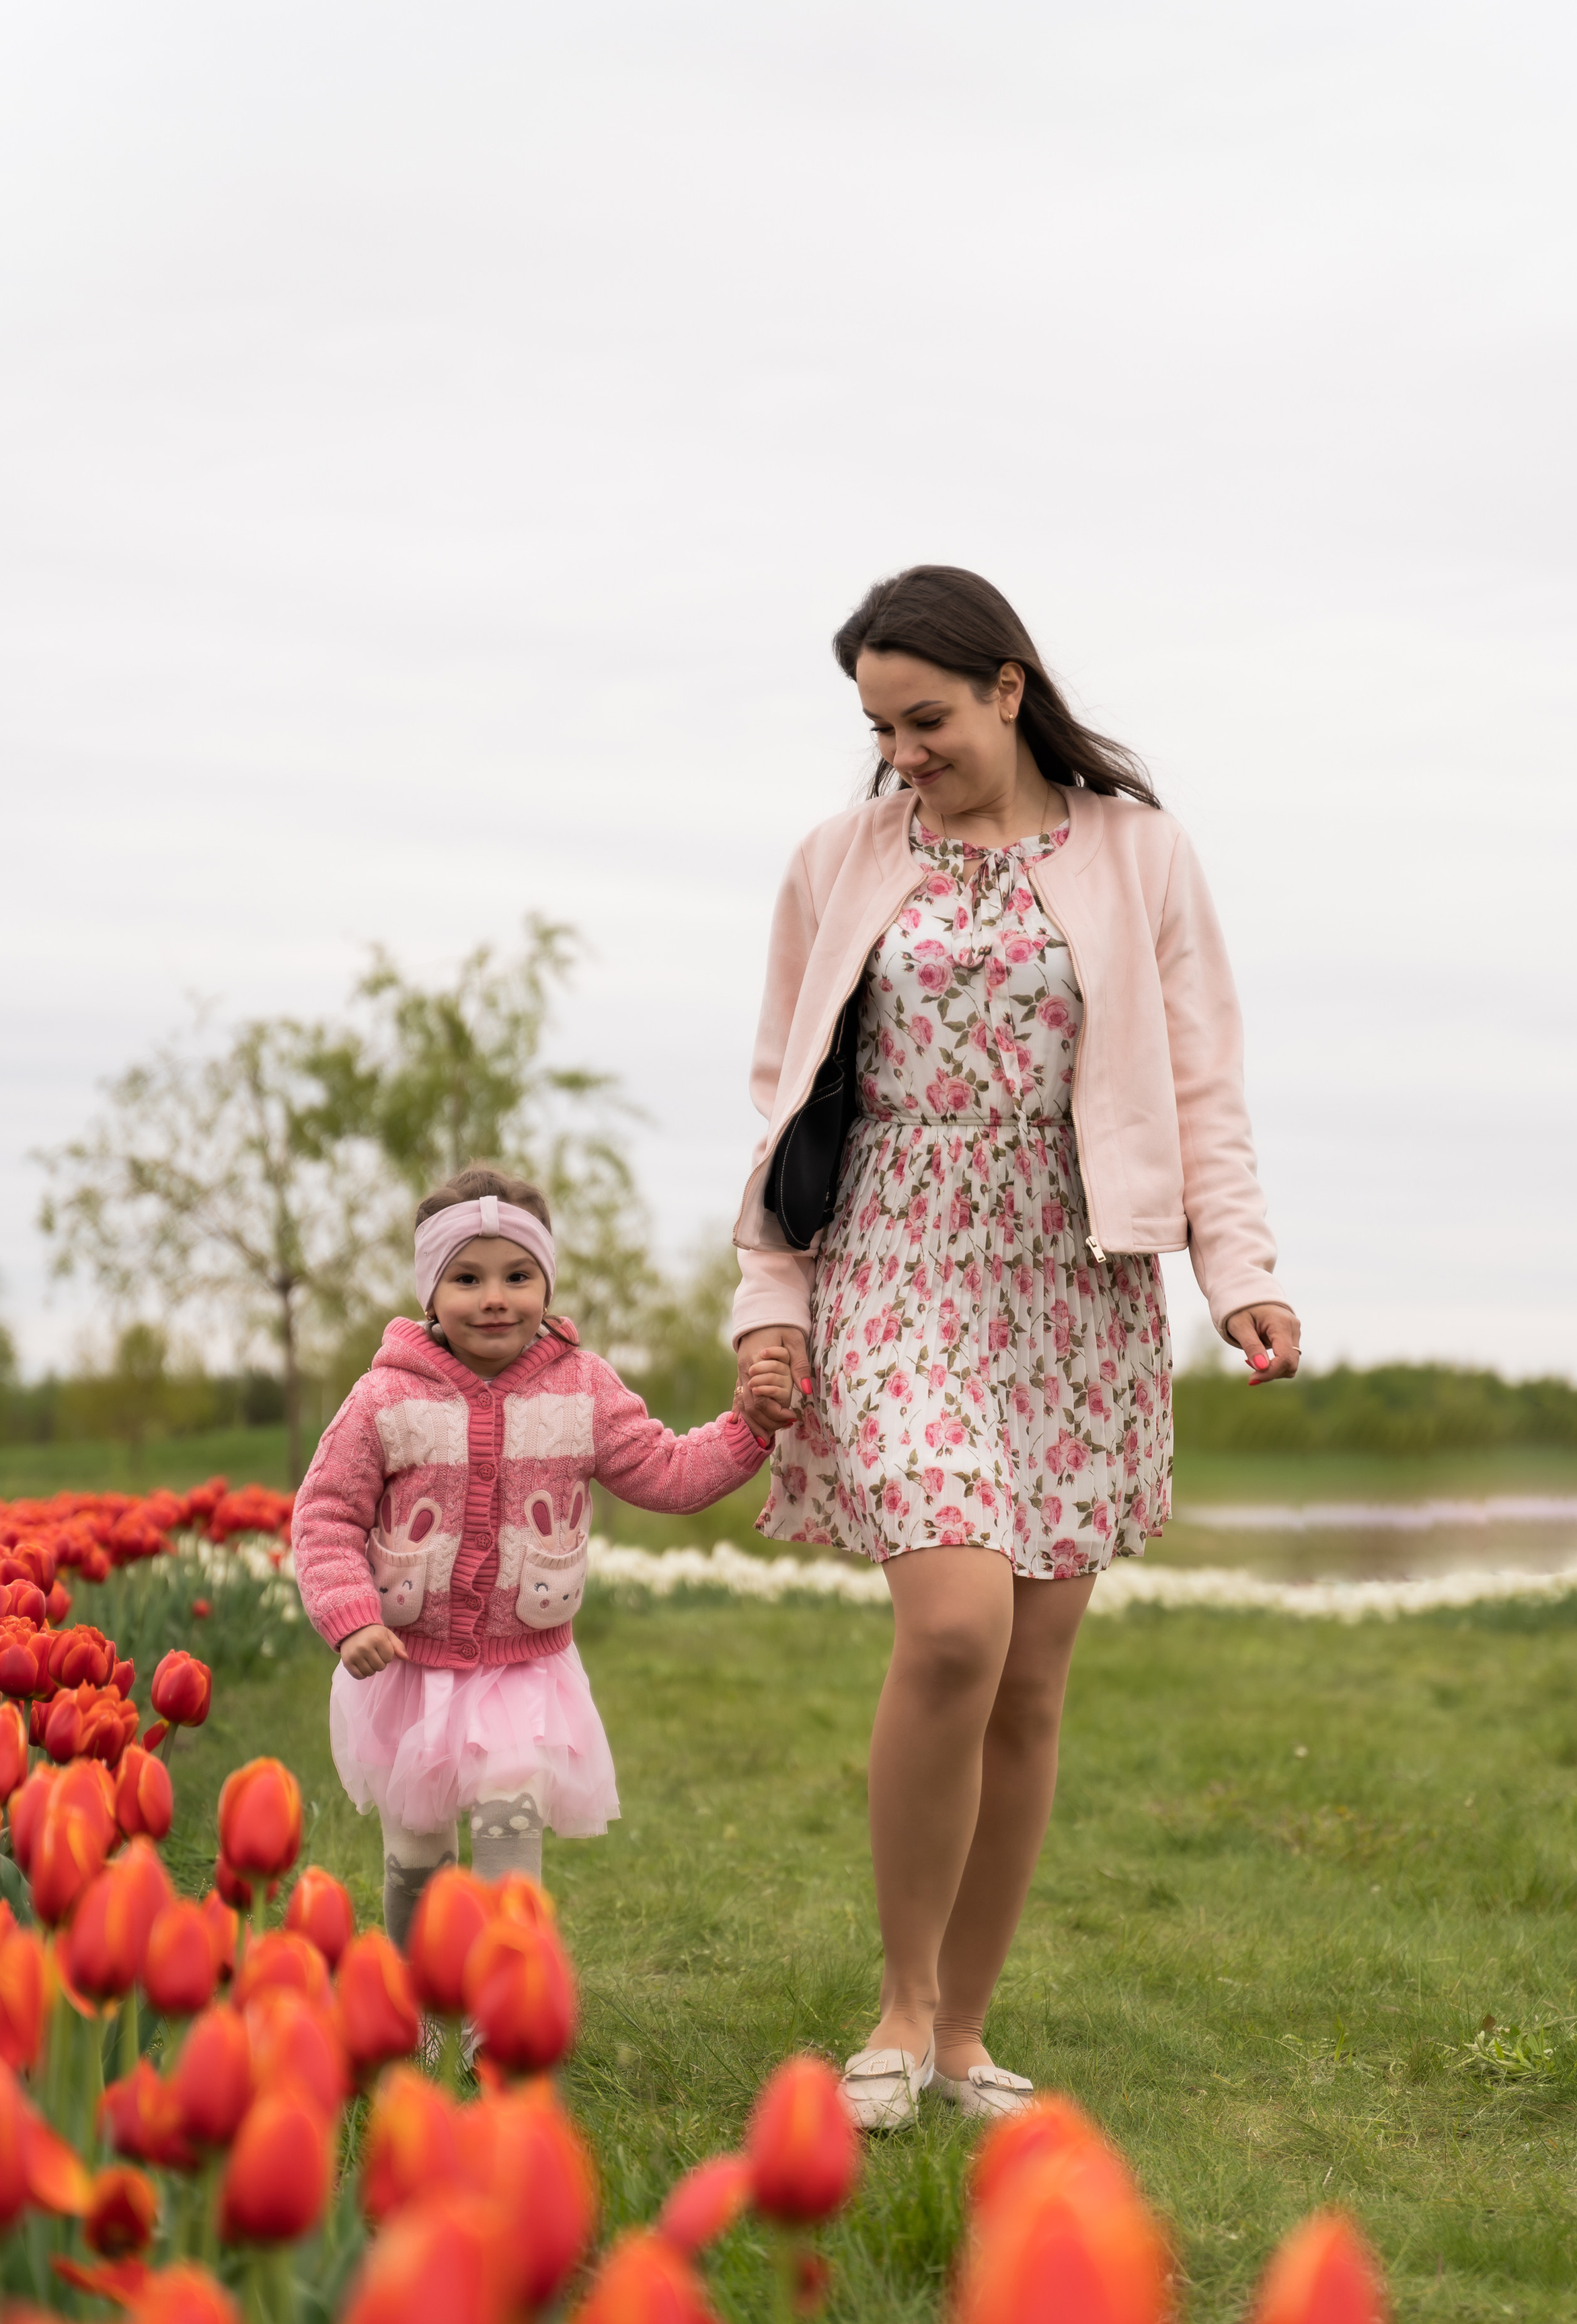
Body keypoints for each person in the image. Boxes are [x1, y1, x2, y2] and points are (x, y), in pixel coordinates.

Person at [730, 566, 1299, 2130]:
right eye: (874, 725)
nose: (898, 750)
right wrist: (769, 1303)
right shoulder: (833, 864)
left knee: (1030, 1682)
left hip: (1074, 1274)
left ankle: (964, 2037)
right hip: (896, 1253)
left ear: (1003, 688)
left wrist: (1234, 1272)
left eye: (923, 719)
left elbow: (1200, 1089)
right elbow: (785, 1101)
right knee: (954, 1627)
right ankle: (895, 2005)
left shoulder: (1139, 854)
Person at [293, 1165, 791, 1943]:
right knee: (417, 1849)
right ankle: (417, 2002)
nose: (495, 1297)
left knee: (508, 1827)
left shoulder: (582, 1388)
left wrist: (747, 1429)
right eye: (467, 1278)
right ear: (430, 1294)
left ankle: (500, 2007)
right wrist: (352, 1619)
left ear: (546, 1285)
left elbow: (663, 1470)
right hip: (407, 1665)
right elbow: (325, 1514)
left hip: (522, 1670)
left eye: (518, 1276)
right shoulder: (385, 1398)